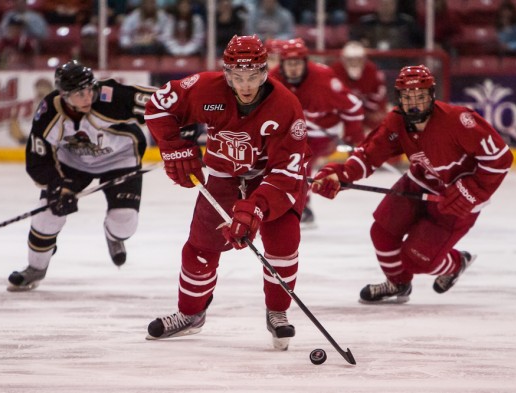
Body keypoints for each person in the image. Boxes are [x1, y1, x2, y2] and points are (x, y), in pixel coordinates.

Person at [143, 35, 309, 350]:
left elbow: (286, 173)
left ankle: (277, 311)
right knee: (201, 248)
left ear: (265, 72)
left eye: (253, 76)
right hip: (223, 174)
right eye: (237, 76)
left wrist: (255, 208)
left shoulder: (287, 106)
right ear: (226, 73)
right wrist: (174, 148)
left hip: (271, 179)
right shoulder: (205, 88)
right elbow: (157, 107)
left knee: (284, 242)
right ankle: (190, 314)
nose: (245, 85)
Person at [311, 65, 514, 303]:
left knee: (416, 260)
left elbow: (500, 158)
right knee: (382, 232)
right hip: (417, 183)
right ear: (399, 98)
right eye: (407, 97)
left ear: (431, 95)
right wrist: (341, 174)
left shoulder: (459, 120)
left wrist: (471, 191)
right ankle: (398, 285)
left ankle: (457, 263)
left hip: (455, 198)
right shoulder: (397, 121)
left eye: (420, 96)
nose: (414, 103)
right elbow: (369, 154)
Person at [7, 60, 155, 292]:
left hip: (120, 159)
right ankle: (35, 268)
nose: (87, 97)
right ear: (64, 95)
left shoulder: (111, 96)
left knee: (125, 223)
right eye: (79, 94)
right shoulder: (49, 112)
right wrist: (58, 187)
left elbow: (164, 101)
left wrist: (187, 127)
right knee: (47, 216)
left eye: (89, 90)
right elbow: (37, 160)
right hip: (72, 163)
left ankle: (113, 235)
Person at [269, 38, 364, 228]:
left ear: (305, 63)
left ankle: (303, 207)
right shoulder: (273, 79)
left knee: (300, 159)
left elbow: (354, 107)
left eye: (297, 63)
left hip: (323, 132)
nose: (293, 68)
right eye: (289, 63)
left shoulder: (324, 81)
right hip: (293, 129)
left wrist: (353, 139)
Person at [331, 41, 387, 133]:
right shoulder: (335, 71)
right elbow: (331, 98)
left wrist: (371, 112)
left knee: (379, 128)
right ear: (343, 59)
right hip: (342, 114)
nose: (354, 63)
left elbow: (379, 95)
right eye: (350, 59)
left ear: (364, 59)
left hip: (367, 111)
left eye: (358, 59)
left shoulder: (372, 71)